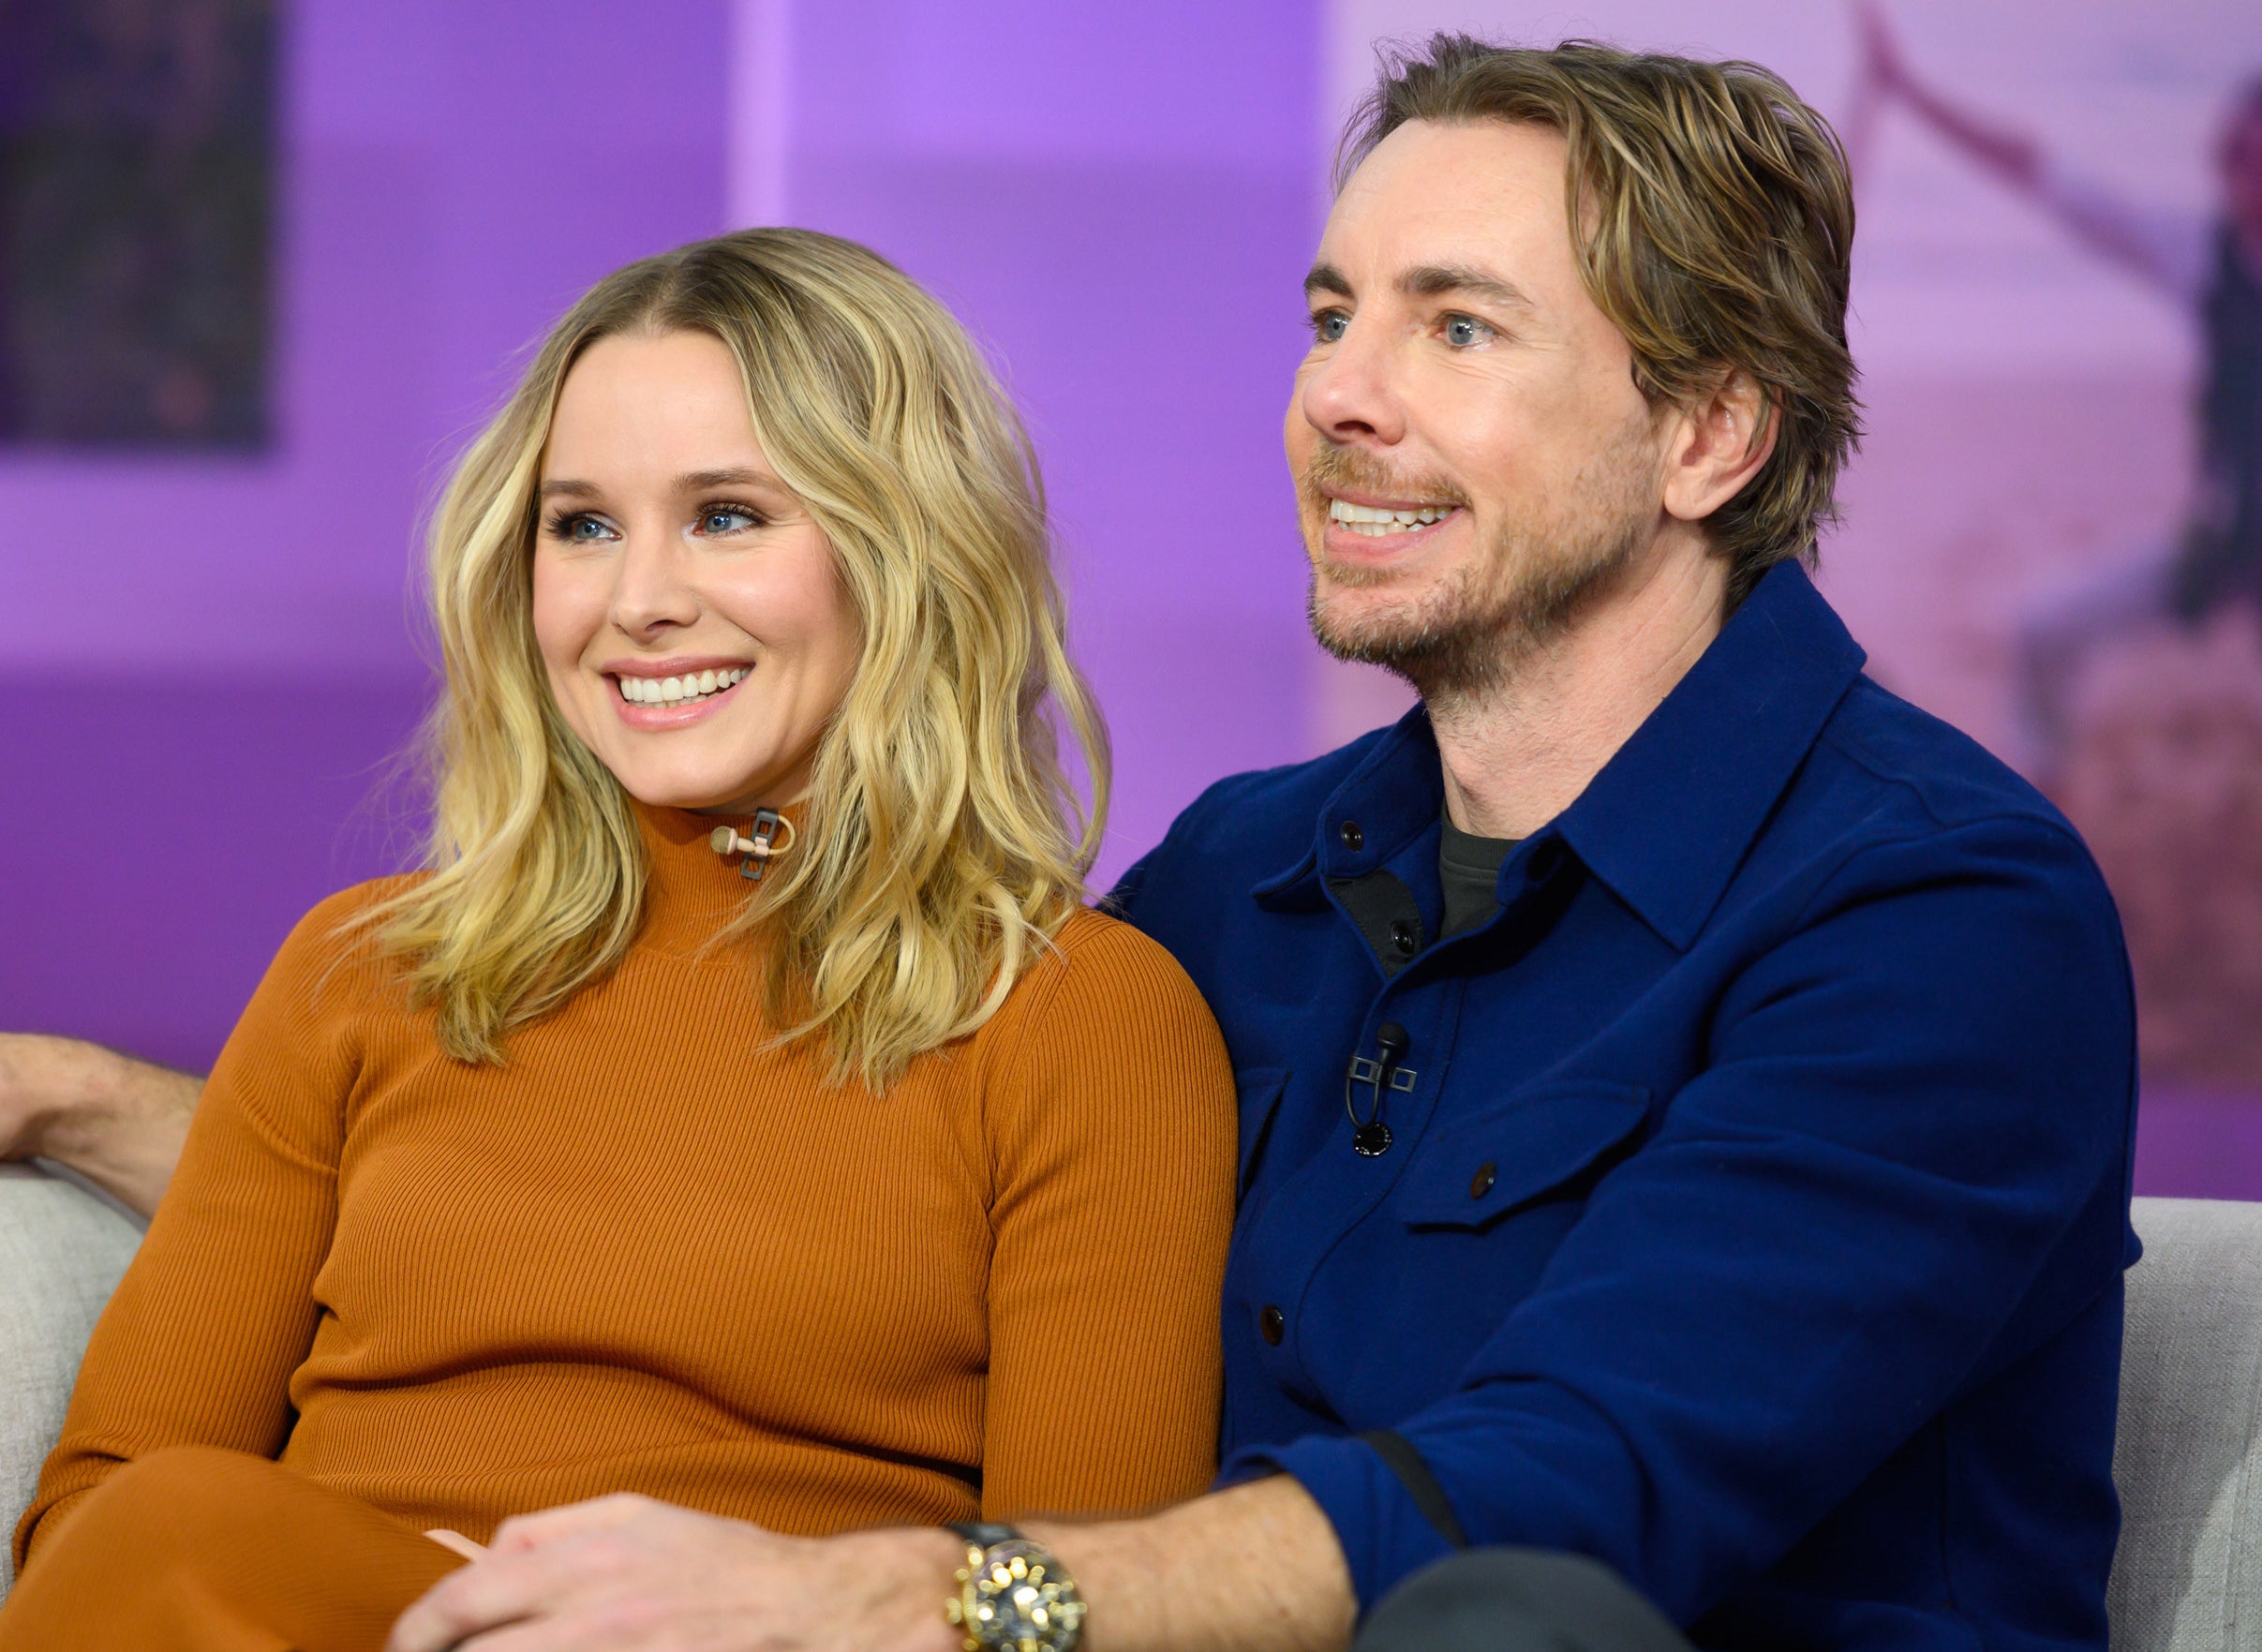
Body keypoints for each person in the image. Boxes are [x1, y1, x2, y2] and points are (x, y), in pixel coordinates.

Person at [9, 35, 2137, 1652]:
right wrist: (165, 1119)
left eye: (1452, 325)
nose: (1337, 395)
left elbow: (1574, 1487)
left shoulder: (1930, 913)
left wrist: (897, 1595)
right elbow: (825, 1160)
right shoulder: (1245, 879)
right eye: (1328, 315)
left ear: (1701, 432)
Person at [0, 228, 1236, 1647]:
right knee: (169, 1525)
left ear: (905, 552)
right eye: (581, 524)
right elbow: (100, 1513)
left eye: (726, 514)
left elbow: (1076, 1600)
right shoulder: (365, 972)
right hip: (296, 1620)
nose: (637, 598)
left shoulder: (1082, 1021)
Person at [1857, 3, 2262, 773]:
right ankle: (2046, 822)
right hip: (2223, 540)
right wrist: (1910, 91)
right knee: (2042, 633)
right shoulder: (2204, 259)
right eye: (2242, 156)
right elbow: (2047, 176)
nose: (2253, 174)